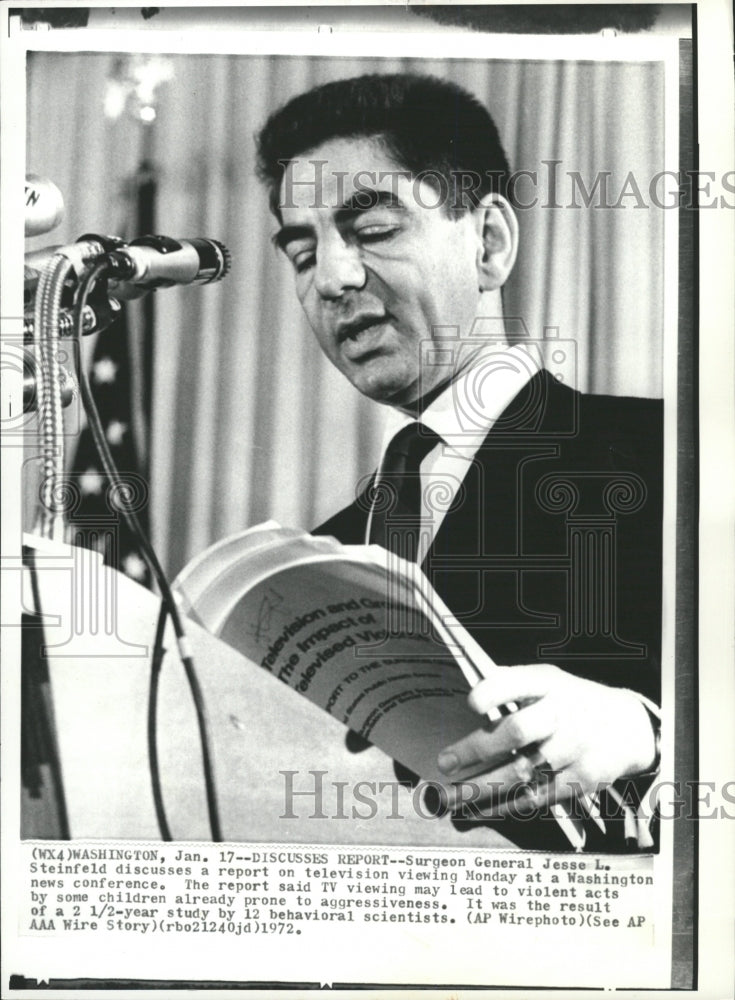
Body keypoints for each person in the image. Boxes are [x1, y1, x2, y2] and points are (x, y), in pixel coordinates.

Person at [255, 73, 662, 851]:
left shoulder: (678, 458)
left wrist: (649, 733)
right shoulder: (329, 551)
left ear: (489, 242)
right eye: (303, 254)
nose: (332, 279)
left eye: (371, 230)